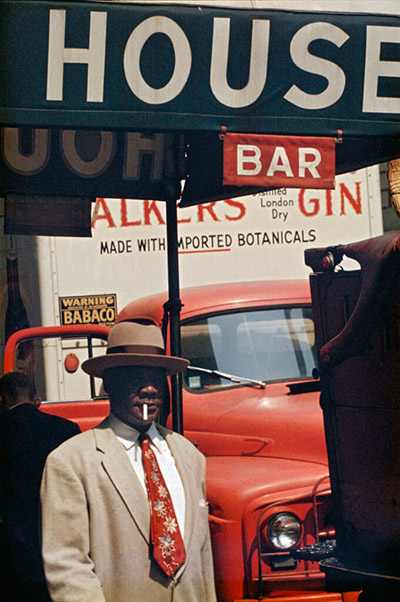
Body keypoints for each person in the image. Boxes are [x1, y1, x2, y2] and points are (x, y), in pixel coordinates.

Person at [40, 321, 217, 602]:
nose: (149, 388)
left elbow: (203, 558)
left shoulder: (189, 456)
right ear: (108, 382)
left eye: (157, 377)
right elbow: (68, 567)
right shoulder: (70, 463)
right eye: (135, 375)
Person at [0, 370, 80, 602]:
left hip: (11, 545)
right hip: (58, 540)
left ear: (3, 399)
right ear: (36, 399)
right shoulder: (67, 429)